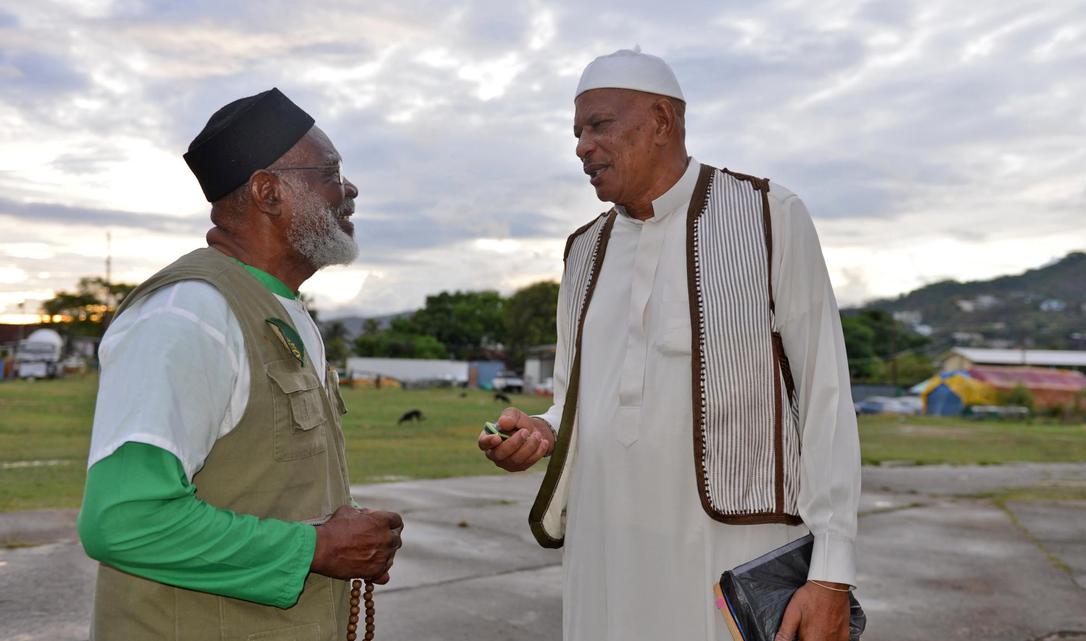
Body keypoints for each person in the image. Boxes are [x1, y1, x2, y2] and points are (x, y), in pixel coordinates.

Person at [477, 49, 861, 641]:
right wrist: (544, 429)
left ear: (661, 120)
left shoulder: (769, 216)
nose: (582, 146)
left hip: (732, 552)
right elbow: (574, 394)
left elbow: (826, 396)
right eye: (577, 132)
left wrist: (832, 576)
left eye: (599, 125)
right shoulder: (584, 251)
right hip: (603, 553)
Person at [78, 88, 403, 641]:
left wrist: (345, 528)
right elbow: (123, 521)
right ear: (268, 191)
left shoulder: (287, 311)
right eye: (331, 171)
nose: (350, 189)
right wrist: (319, 548)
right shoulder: (188, 314)